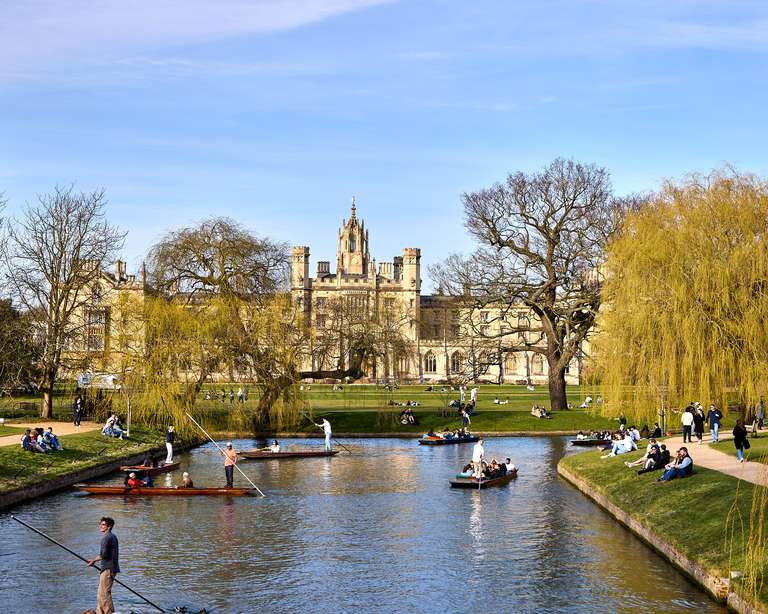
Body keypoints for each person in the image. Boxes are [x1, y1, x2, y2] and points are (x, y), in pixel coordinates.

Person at [87, 516, 120, 614]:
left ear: (109, 527)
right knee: (101, 593)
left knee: (104, 593)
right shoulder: (113, 536)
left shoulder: (106, 538)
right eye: (100, 524)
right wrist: (94, 560)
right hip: (111, 568)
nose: (100, 526)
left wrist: (93, 560)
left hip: (108, 568)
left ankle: (109, 612)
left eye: (103, 524)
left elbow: (104, 555)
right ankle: (100, 612)